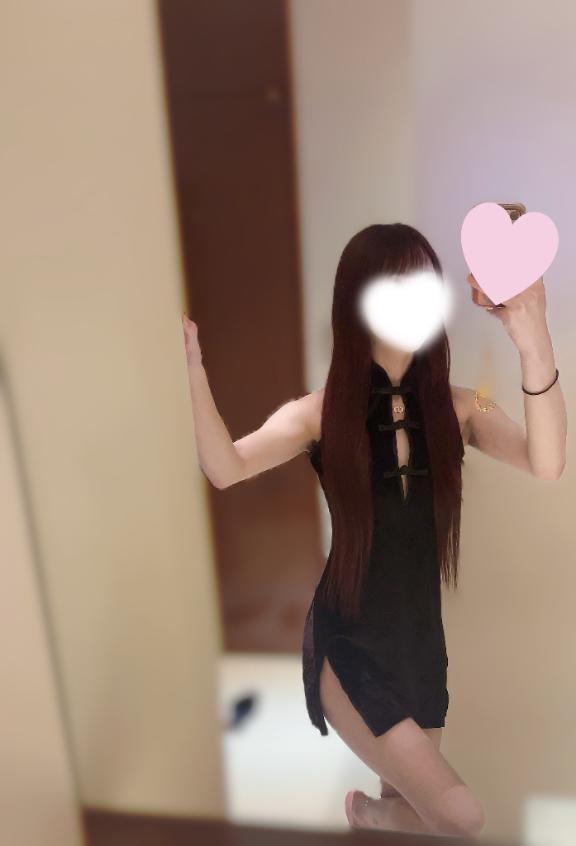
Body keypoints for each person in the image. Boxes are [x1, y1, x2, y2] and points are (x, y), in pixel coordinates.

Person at [182, 223, 566, 837]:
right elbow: (226, 468)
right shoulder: (318, 412)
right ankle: (368, 812)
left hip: (421, 646)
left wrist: (533, 339)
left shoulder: (465, 404)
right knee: (458, 814)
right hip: (349, 645)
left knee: (415, 819)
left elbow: (547, 463)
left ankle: (372, 816)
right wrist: (192, 369)